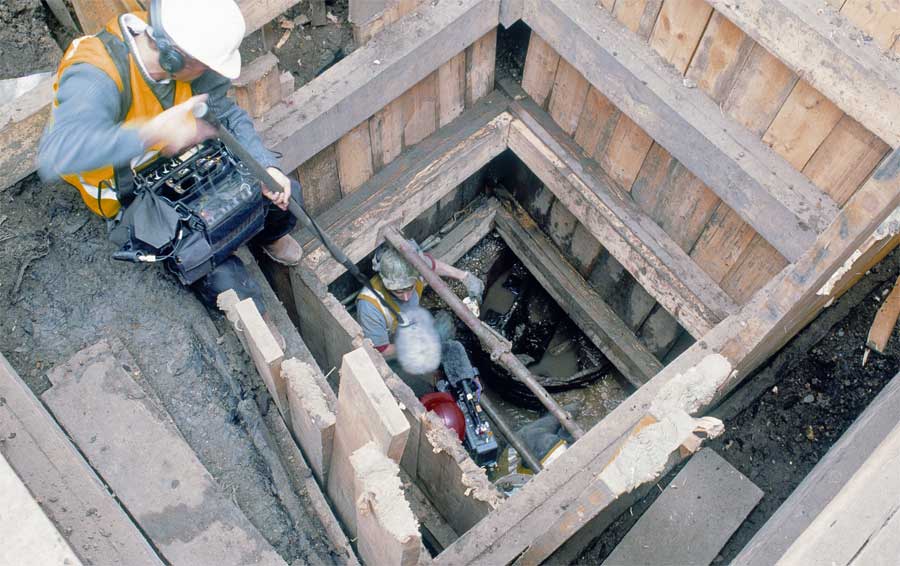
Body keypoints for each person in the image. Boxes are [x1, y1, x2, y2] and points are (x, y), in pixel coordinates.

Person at [37, 0, 301, 329]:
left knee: (286, 197)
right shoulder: (96, 72)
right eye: (205, 66)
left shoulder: (187, 56)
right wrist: (153, 133)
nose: (210, 74)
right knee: (214, 269)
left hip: (190, 161)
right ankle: (255, 316)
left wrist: (265, 166)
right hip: (133, 194)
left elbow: (227, 115)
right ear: (175, 55)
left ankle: (268, 239)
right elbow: (58, 153)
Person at [356, 241, 484, 394]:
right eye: (397, 291)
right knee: (414, 387)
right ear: (384, 281)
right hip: (390, 345)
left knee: (445, 325)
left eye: (410, 288)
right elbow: (380, 351)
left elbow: (433, 266)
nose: (406, 297)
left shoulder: (417, 268)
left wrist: (465, 277)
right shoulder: (369, 306)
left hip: (409, 325)